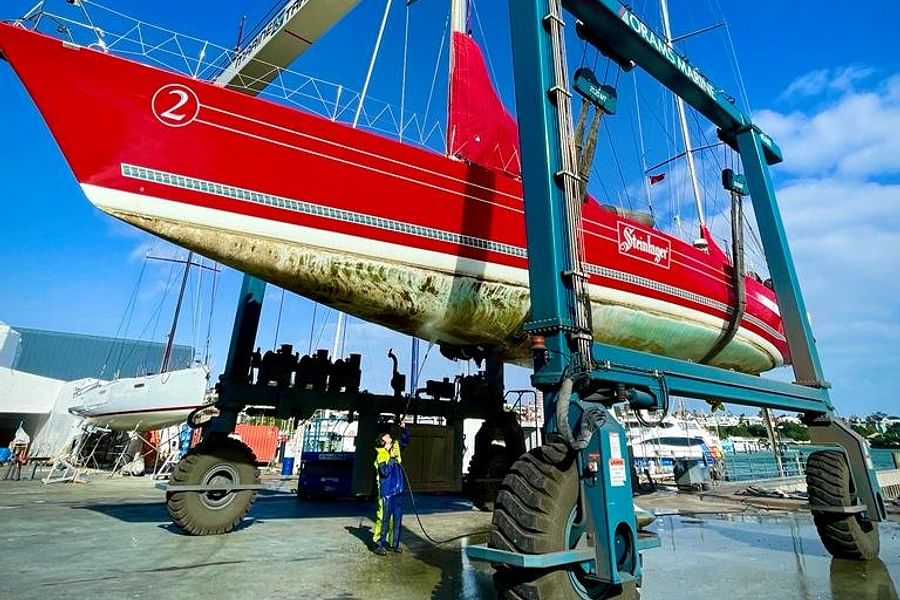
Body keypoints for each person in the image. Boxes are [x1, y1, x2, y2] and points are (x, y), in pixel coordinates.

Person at [372, 417, 409, 555]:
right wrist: (392, 459)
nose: (389, 436)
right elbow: (384, 472)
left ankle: (395, 544)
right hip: (386, 491)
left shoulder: (396, 446)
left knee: (397, 518)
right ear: (383, 441)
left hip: (397, 489)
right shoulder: (381, 455)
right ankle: (379, 544)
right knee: (383, 518)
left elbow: (405, 441)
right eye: (386, 435)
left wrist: (404, 428)